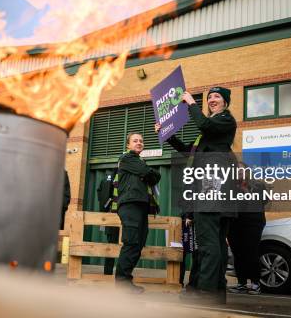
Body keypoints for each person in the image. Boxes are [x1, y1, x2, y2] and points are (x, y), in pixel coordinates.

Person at [156, 86, 237, 305]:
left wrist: (191, 102)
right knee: (216, 245)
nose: (212, 99)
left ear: (225, 103)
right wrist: (166, 133)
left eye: (217, 97)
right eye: (209, 97)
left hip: (213, 192)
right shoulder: (207, 136)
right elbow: (187, 151)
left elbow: (204, 123)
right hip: (213, 193)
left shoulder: (224, 122)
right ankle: (215, 293)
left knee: (208, 244)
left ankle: (206, 294)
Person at [114, 132, 161, 293]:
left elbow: (155, 176)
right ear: (128, 145)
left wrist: (150, 173)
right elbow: (150, 174)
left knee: (138, 244)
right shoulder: (127, 158)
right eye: (135, 141)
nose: (139, 143)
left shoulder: (140, 161)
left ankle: (126, 282)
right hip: (130, 205)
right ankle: (122, 284)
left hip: (141, 205)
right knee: (132, 242)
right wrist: (149, 173)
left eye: (141, 141)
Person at [227, 161, 268, 295]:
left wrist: (246, 192)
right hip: (234, 222)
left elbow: (264, 201)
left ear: (246, 171)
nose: (238, 172)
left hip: (253, 222)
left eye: (241, 170)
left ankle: (256, 283)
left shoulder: (257, 185)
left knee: (251, 251)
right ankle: (241, 284)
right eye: (236, 170)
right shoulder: (230, 186)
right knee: (238, 253)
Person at [97, 170, 119, 275]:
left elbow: (100, 194)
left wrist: (104, 210)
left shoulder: (107, 178)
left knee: (111, 244)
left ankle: (108, 272)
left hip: (109, 215)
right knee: (115, 245)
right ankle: (117, 273)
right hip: (117, 215)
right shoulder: (116, 177)